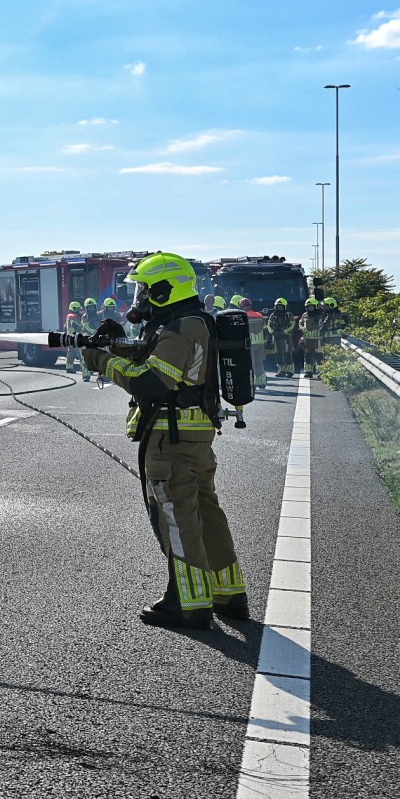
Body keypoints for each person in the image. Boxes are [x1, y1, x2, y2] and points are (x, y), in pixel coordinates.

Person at [82, 252, 247, 628]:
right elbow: (164, 364)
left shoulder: (179, 329)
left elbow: (151, 381)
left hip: (170, 441)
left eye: (143, 290)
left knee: (176, 518)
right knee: (206, 514)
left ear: (163, 290)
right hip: (194, 437)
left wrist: (101, 361)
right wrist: (120, 345)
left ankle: (187, 604)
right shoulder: (194, 322)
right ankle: (228, 593)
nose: (139, 299)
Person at [236, 294, 269, 391]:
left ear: (241, 307)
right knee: (259, 363)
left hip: (248, 344)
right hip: (260, 344)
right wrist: (264, 341)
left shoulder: (242, 316)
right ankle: (261, 382)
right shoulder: (259, 316)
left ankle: (251, 382)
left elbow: (240, 332)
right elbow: (266, 330)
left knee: (250, 363)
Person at [266, 297, 296, 377]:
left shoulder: (288, 314)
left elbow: (293, 324)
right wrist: (271, 331)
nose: (279, 307)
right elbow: (269, 324)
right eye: (278, 305)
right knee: (278, 353)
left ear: (284, 306)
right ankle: (281, 370)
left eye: (281, 305)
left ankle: (289, 371)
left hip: (286, 336)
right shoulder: (273, 315)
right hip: (276, 336)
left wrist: (285, 331)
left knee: (287, 353)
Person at [299, 298, 326, 377]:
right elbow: (300, 323)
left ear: (316, 306)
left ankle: (321, 372)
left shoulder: (321, 315)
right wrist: (302, 328)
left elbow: (326, 323)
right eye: (309, 306)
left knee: (319, 356)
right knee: (308, 355)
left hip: (318, 339)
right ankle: (308, 372)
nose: (310, 308)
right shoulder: (304, 315)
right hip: (307, 339)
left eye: (312, 306)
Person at [63, 300, 86, 374]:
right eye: (78, 309)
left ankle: (69, 367)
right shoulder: (73, 316)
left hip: (70, 337)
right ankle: (84, 369)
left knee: (71, 352)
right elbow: (78, 326)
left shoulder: (68, 316)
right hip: (75, 338)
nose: (80, 311)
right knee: (81, 353)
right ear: (74, 309)